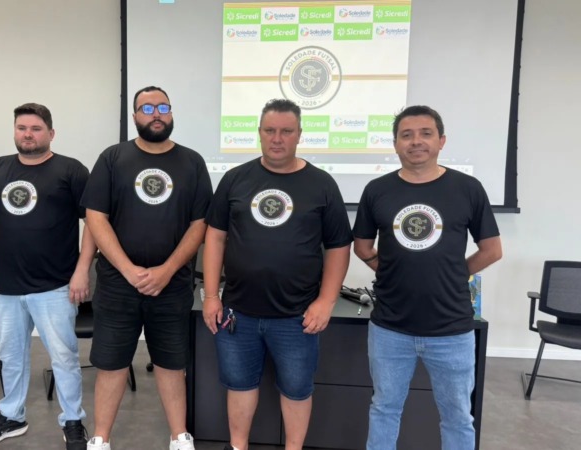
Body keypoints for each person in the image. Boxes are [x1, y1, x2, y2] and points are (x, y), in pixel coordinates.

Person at [202, 99, 352, 450]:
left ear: (300, 134)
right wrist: (210, 296)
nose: (277, 138)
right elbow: (215, 237)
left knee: (297, 390)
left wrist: (326, 301)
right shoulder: (235, 179)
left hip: (297, 316)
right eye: (269, 130)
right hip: (238, 311)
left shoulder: (321, 184)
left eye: (286, 131)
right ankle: (238, 446)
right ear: (259, 133)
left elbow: (338, 247)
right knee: (239, 385)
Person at [353, 105, 503, 450]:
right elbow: (362, 247)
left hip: (452, 330)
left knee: (457, 417)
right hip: (390, 328)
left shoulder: (467, 188)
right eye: (406, 135)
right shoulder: (377, 190)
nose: (415, 141)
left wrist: (454, 274)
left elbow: (492, 250)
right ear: (395, 144)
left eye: (425, 133)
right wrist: (388, 271)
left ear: (441, 141)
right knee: (384, 409)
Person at [81, 86, 212, 450]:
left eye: (163, 107)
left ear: (171, 113)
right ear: (135, 115)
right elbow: (96, 217)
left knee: (171, 364)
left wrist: (166, 270)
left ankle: (179, 437)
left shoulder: (192, 162)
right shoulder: (113, 158)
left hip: (172, 285)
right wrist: (128, 270)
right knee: (112, 364)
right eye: (148, 108)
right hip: (117, 284)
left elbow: (200, 223)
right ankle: (101, 439)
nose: (157, 114)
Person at [0, 103, 94, 450]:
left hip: (55, 286)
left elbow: (95, 222)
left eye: (36, 128)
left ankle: (73, 420)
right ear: (14, 131)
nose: (28, 134)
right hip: (6, 286)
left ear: (50, 133)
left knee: (64, 357)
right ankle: (12, 416)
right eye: (22, 128)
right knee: (10, 356)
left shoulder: (71, 170)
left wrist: (82, 270)